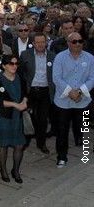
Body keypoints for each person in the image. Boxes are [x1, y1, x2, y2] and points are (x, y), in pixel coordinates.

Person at [52, 32, 94, 167]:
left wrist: (80, 92)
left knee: (85, 128)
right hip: (63, 102)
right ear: (68, 43)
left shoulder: (90, 58)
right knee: (62, 131)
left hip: (83, 101)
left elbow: (92, 78)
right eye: (74, 41)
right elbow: (56, 78)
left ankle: (86, 153)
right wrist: (71, 92)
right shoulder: (60, 57)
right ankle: (62, 157)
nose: (78, 44)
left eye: (80, 41)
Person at [0, 55, 27, 183]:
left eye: (16, 64)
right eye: (11, 64)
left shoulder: (20, 78)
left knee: (19, 145)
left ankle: (15, 170)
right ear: (4, 65)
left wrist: (25, 102)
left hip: (18, 117)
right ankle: (3, 170)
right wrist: (15, 104)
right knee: (3, 144)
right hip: (4, 117)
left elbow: (26, 93)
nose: (14, 66)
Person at [19, 32, 56, 154]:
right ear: (33, 43)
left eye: (42, 42)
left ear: (46, 43)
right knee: (29, 117)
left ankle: (41, 143)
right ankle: (26, 141)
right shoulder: (25, 55)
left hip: (45, 91)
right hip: (31, 91)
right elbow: (21, 73)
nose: (40, 44)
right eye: (37, 42)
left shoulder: (52, 56)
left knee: (43, 118)